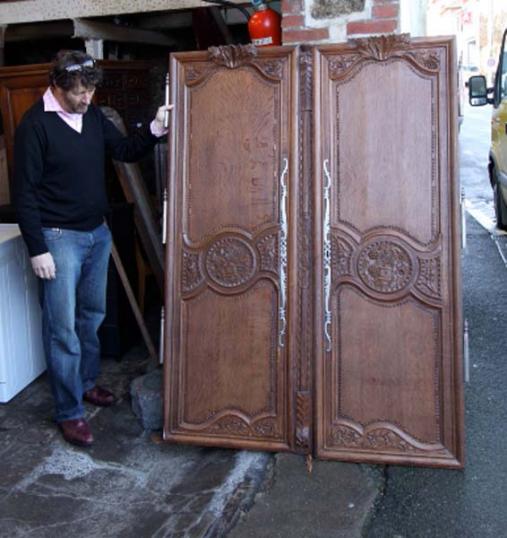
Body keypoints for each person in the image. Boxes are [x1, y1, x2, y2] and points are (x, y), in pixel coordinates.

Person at [13, 50, 172, 448]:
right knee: (62, 328)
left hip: (96, 234)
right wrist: (38, 249)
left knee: (92, 316)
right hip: (57, 238)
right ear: (58, 86)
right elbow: (24, 194)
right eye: (80, 93)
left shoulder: (94, 117)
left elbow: (123, 151)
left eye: (90, 91)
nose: (87, 99)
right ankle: (68, 411)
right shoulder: (35, 126)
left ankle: (85, 383)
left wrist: (155, 127)